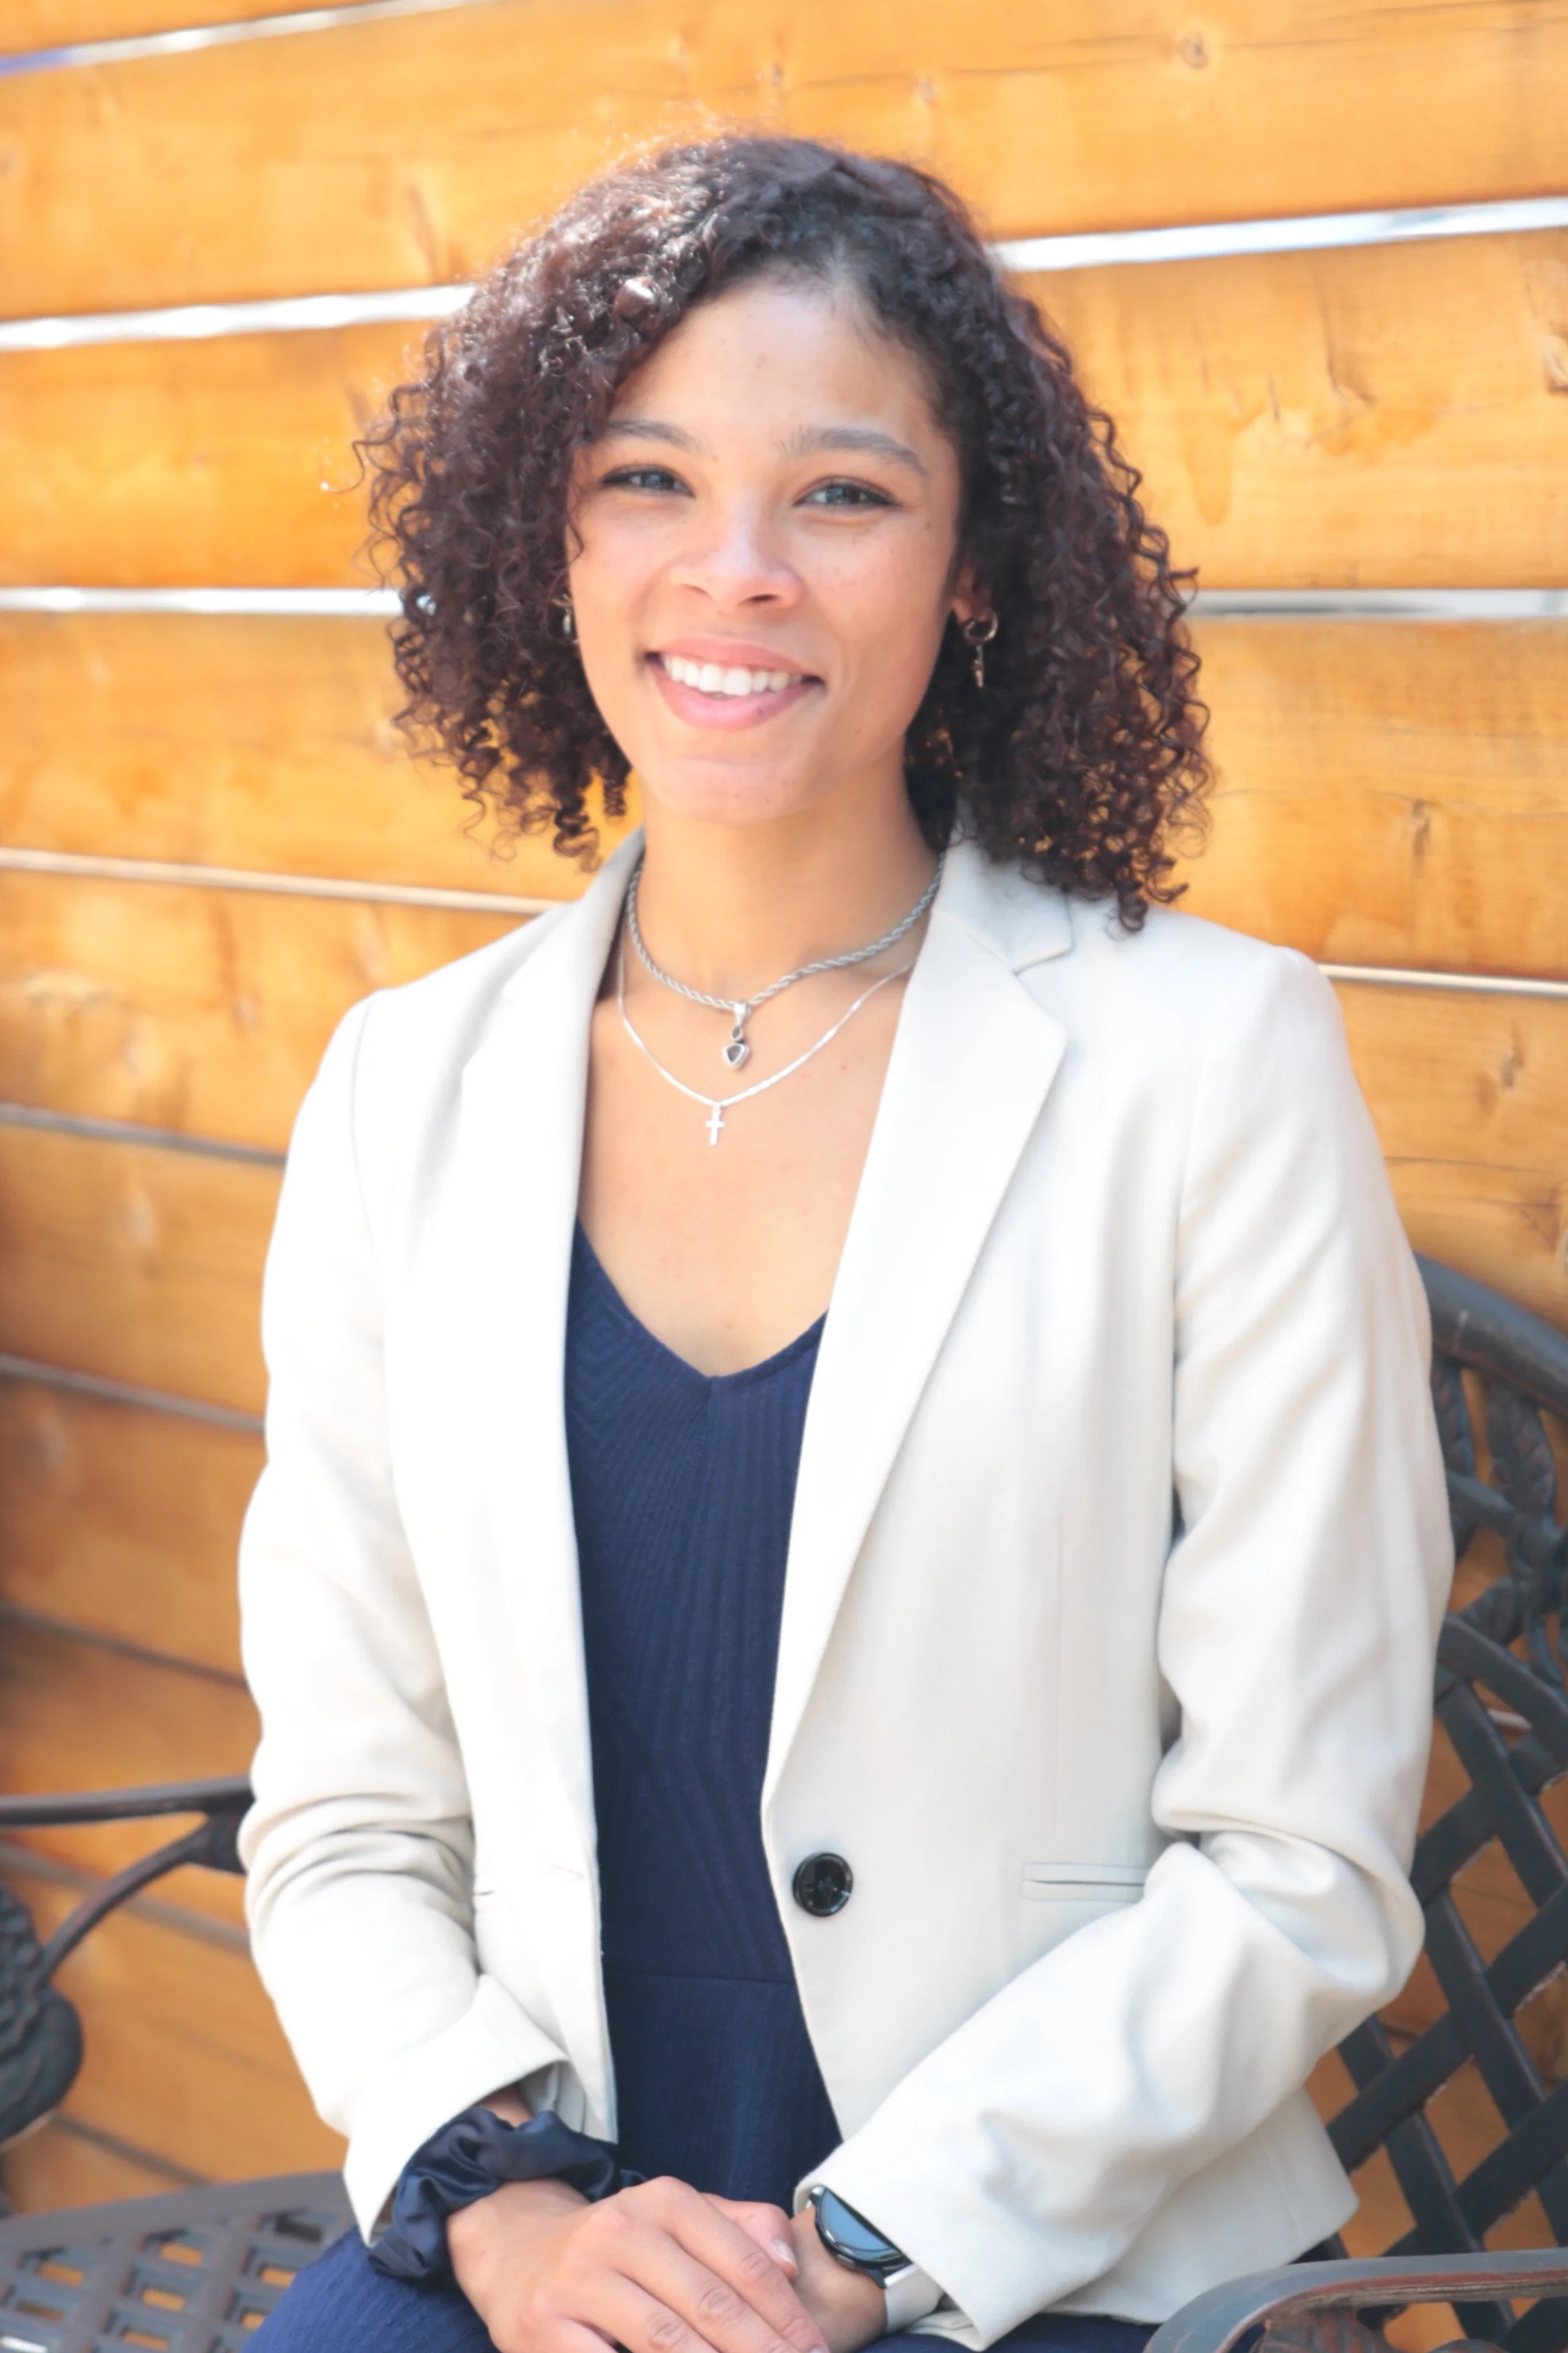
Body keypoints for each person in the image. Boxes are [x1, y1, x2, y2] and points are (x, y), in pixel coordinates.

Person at [241, 134, 1452, 2353]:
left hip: (1050, 2257)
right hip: (557, 2229)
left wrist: (862, 2242)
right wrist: (502, 2215)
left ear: (973, 560)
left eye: (845, 494)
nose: (736, 574)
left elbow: (1297, 1855)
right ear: (553, 538)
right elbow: (341, 1811)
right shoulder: (397, 1094)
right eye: (646, 481)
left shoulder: (1214, 1065)